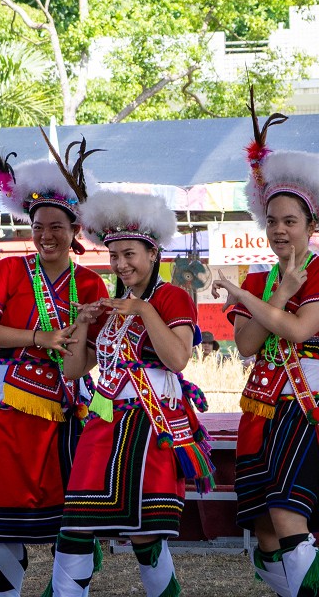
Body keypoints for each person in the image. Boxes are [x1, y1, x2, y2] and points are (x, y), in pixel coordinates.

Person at [48, 189, 214, 597]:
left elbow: (177, 359)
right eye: (114, 255)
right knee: (75, 526)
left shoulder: (171, 297)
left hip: (151, 423)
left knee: (144, 534)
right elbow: (72, 370)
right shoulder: (108, 305)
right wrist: (85, 323)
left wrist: (142, 310)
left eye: (129, 254)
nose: (121, 264)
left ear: (152, 253)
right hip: (103, 423)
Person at [0, 140, 109, 597]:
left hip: (68, 408)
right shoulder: (7, 270)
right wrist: (39, 338)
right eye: (38, 226)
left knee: (75, 514)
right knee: (3, 522)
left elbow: (89, 359)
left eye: (57, 227)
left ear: (75, 229)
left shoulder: (89, 281)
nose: (46, 235)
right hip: (6, 402)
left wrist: (72, 342)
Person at [210, 103, 319, 597]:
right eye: (272, 220)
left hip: (306, 402)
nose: (279, 230)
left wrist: (245, 297)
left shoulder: (316, 272)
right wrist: (271, 293)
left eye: (290, 221)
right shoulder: (261, 277)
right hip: (261, 408)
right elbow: (248, 343)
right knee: (265, 529)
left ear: (311, 225)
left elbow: (298, 331)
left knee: (288, 511)